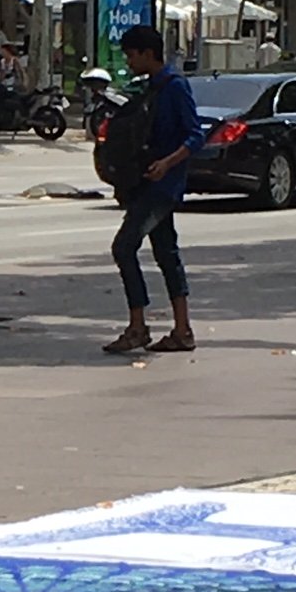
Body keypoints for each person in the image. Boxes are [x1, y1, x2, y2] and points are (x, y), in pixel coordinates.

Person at [105, 25, 206, 357]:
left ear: (149, 54)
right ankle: (182, 330)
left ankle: (138, 327)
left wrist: (167, 163)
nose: (129, 62)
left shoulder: (175, 87)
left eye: (132, 55)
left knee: (124, 247)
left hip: (163, 186)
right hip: (145, 182)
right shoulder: (148, 88)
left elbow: (195, 136)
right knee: (166, 252)